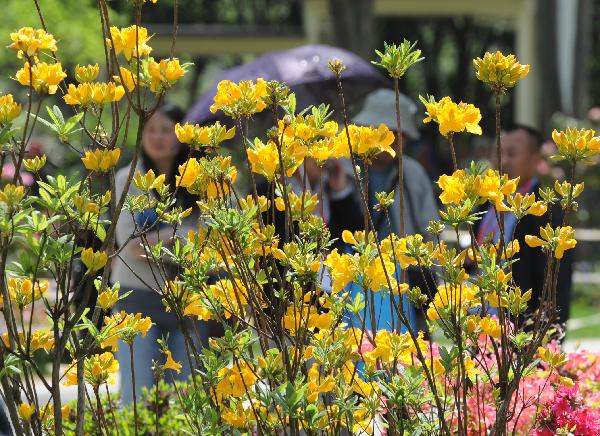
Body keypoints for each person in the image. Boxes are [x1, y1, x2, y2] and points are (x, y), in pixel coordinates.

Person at [111, 104, 207, 405]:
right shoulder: (129, 180)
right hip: (135, 300)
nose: (157, 137)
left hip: (187, 305)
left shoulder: (201, 182)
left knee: (186, 402)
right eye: (150, 130)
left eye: (166, 130)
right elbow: (133, 246)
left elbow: (211, 238)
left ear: (183, 135)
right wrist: (185, 232)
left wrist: (158, 239)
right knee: (136, 399)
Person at [350, 88, 440, 332]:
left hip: (404, 284)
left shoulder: (412, 172)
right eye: (392, 134)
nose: (400, 141)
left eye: (402, 136)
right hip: (358, 282)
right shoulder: (346, 171)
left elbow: (431, 231)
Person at [475, 124, 573, 327]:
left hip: (521, 332)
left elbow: (557, 283)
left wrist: (548, 334)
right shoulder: (484, 204)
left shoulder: (547, 212)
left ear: (535, 159)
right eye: (499, 152)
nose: (503, 161)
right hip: (481, 328)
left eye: (512, 153)